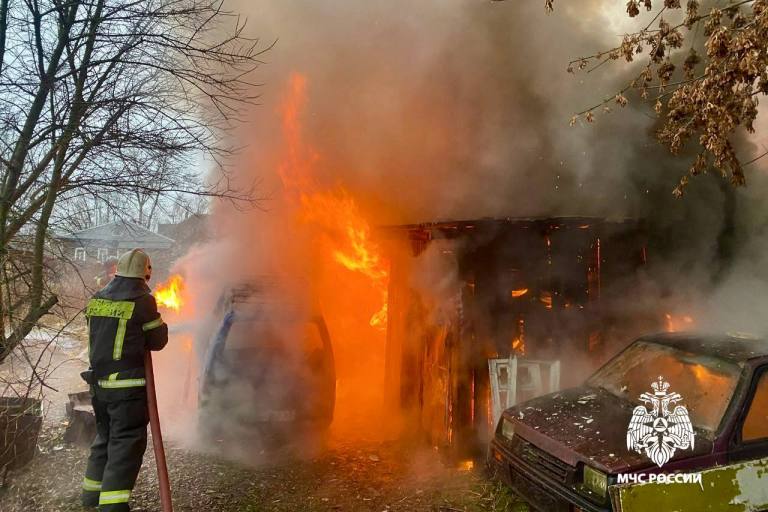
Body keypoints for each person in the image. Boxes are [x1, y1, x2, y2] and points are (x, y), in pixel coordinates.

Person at [81, 248, 168, 511]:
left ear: (117, 271)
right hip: (126, 390)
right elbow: (158, 340)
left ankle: (91, 498)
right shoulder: (142, 300)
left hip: (99, 386)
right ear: (146, 273)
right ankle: (113, 507)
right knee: (125, 445)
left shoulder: (98, 298)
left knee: (104, 440)